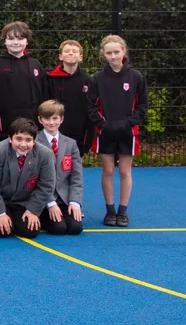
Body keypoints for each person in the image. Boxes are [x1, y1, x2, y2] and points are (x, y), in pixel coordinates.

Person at [87, 35, 147, 227]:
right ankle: (110, 210)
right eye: (109, 53)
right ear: (103, 54)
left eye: (116, 52)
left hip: (128, 132)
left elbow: (142, 106)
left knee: (124, 171)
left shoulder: (136, 77)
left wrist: (128, 123)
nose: (113, 56)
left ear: (124, 52)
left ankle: (123, 211)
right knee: (108, 170)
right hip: (105, 132)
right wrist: (103, 124)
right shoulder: (97, 78)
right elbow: (91, 107)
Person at [0, 117, 56, 239]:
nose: (23, 144)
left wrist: (33, 211)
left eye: (28, 140)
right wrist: (0, 213)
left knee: (30, 231)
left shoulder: (45, 154)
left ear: (34, 141)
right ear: (10, 138)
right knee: (2, 231)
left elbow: (46, 185)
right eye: (18, 139)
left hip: (22, 201)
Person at [0, 21, 45, 141]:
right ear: (5, 41)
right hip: (5, 128)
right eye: (11, 38)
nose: (15, 42)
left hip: (33, 127)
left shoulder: (35, 65)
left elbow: (44, 95)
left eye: (20, 38)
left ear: (26, 41)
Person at [37, 100, 84, 236]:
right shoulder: (34, 143)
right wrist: (50, 203)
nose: (51, 122)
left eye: (55, 118)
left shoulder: (70, 144)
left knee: (75, 228)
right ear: (40, 120)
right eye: (47, 118)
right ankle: (45, 215)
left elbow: (76, 176)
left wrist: (75, 202)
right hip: (44, 198)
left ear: (62, 119)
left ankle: (65, 211)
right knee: (58, 228)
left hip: (64, 197)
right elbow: (36, 178)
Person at [46, 40, 93, 154]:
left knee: (75, 166)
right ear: (60, 57)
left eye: (74, 51)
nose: (71, 53)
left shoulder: (88, 80)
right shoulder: (51, 79)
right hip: (56, 130)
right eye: (67, 51)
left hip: (79, 131)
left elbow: (91, 107)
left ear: (80, 57)